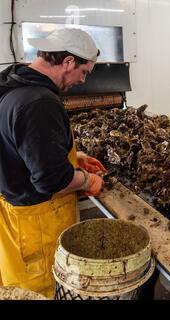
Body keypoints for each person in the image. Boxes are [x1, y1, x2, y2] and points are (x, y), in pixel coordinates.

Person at [0, 28, 106, 298]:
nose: (82, 81)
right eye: (84, 72)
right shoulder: (39, 102)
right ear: (68, 62)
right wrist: (86, 180)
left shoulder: (12, 84)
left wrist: (71, 156)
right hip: (37, 226)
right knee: (43, 288)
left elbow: (18, 146)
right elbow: (52, 181)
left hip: (15, 215)